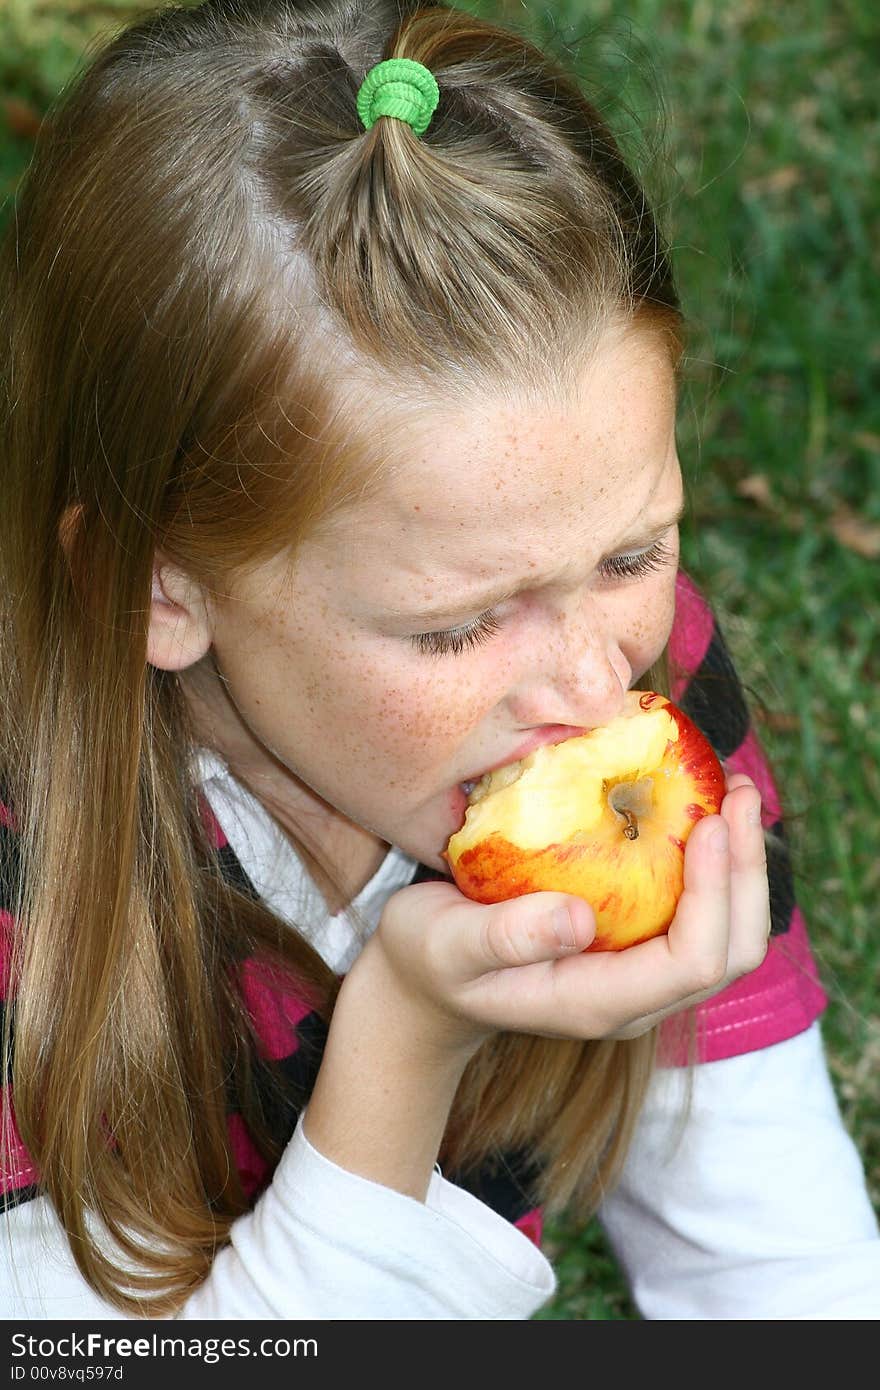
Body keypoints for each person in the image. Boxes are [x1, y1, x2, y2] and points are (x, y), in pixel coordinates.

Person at [0, 0, 877, 1321]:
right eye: (460, 626)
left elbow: (784, 1270)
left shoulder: (632, 692)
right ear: (158, 588)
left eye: (635, 552)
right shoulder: (30, 891)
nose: (596, 685)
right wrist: (403, 1044)